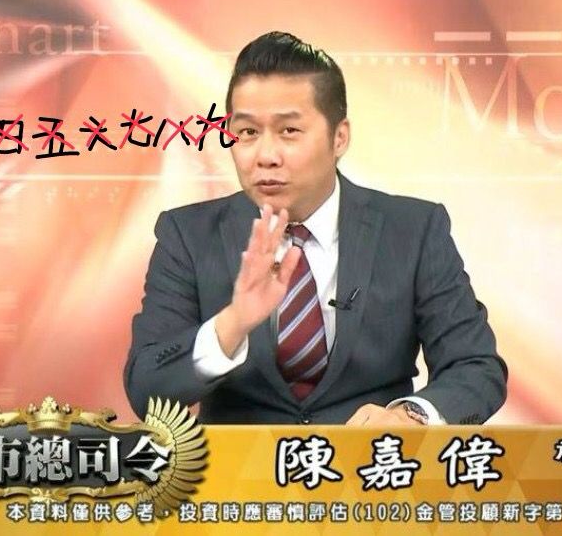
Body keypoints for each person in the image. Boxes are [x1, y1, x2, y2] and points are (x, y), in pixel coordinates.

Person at [124, 31, 507, 425]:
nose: (266, 156)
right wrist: (232, 324)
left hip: (372, 461)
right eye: (248, 132)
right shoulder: (188, 235)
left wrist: (410, 418)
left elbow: (475, 366)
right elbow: (145, 388)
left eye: (289, 131)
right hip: (238, 465)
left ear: (339, 138)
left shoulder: (413, 231)